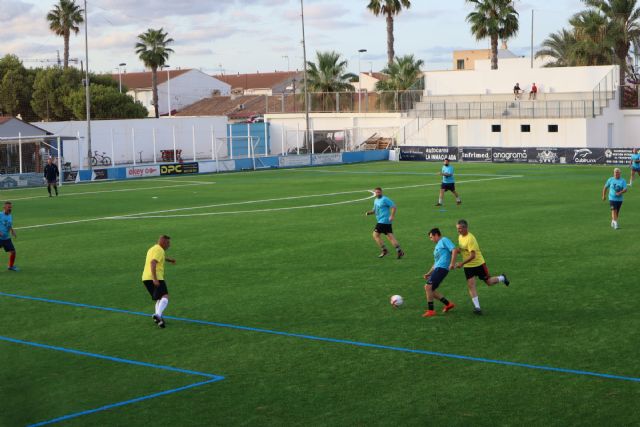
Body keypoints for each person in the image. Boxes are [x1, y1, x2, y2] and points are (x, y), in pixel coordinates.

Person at [449, 219, 509, 315]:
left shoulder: (470, 238)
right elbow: (463, 249)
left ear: (465, 228)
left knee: (489, 282)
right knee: (471, 285)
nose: (458, 230)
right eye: (457, 228)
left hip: (479, 264)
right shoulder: (460, 237)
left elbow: (473, 256)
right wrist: (455, 251)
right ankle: (477, 307)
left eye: (460, 228)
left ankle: (502, 277)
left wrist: (461, 263)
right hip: (468, 267)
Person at [141, 235, 176, 328]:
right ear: (163, 242)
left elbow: (161, 258)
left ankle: (159, 319)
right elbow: (153, 262)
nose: (169, 245)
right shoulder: (160, 250)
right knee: (165, 296)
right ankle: (158, 315)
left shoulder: (153, 249)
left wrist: (170, 260)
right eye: (168, 243)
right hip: (156, 277)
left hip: (145, 278)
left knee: (159, 298)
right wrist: (155, 279)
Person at [422, 228, 456, 317]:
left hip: (442, 268)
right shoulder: (436, 247)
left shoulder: (444, 240)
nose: (431, 239)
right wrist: (429, 273)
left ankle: (431, 310)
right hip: (438, 268)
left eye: (431, 237)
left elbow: (454, 250)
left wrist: (452, 263)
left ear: (436, 235)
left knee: (428, 287)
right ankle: (448, 304)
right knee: (429, 289)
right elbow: (436, 263)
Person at [365, 187, 405, 259]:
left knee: (375, 235)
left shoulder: (385, 199)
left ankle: (384, 250)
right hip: (383, 221)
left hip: (384, 221)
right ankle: (399, 251)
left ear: (381, 192)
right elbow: (374, 210)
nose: (378, 193)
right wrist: (368, 213)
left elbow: (393, 206)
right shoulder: (375, 200)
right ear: (375, 193)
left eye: (379, 192)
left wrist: (392, 216)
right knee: (390, 237)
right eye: (376, 192)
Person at [0, 201, 18, 271]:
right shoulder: (0, 214)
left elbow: (9, 224)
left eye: (10, 207)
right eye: (8, 207)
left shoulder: (10, 215)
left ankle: (10, 266)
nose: (10, 208)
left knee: (13, 252)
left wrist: (12, 231)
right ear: (4, 207)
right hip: (0, 238)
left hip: (7, 238)